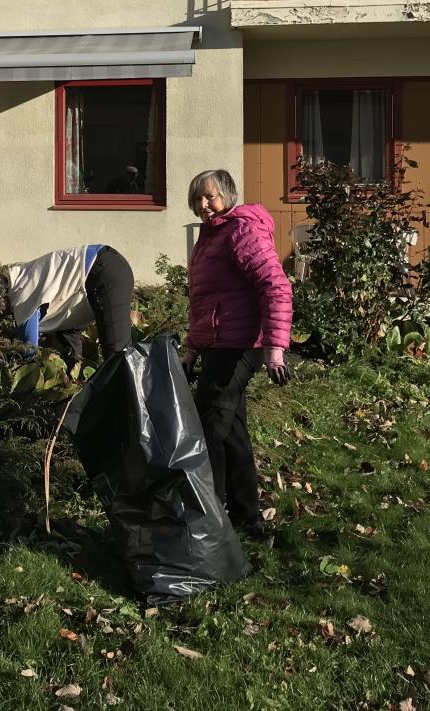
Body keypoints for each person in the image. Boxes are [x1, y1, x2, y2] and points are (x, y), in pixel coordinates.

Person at [181, 169, 293, 538]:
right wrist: (191, 350)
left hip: (241, 343)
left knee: (208, 426)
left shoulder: (242, 230)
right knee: (232, 433)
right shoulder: (211, 237)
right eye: (197, 198)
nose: (203, 205)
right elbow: (206, 303)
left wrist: (275, 348)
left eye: (210, 197)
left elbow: (275, 285)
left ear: (227, 196)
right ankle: (248, 519)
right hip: (219, 342)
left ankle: (208, 523)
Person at [0, 246, 135, 364]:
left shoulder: (22, 299)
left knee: (117, 356)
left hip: (104, 273)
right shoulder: (21, 276)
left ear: (2, 305)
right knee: (65, 342)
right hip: (107, 265)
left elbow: (29, 350)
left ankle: (130, 405)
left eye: (2, 314)